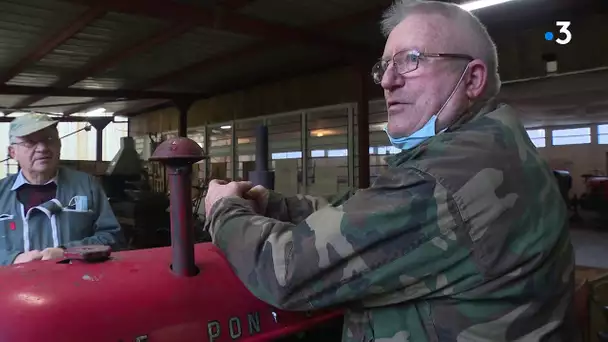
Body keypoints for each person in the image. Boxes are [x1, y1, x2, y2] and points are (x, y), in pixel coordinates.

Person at [204, 1, 577, 341]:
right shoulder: (493, 150)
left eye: (411, 60)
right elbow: (362, 216)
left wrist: (223, 210)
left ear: (472, 79)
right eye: (385, 66)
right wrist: (273, 204)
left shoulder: (447, 177)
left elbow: (285, 273)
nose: (387, 81)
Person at [0, 113, 124, 266]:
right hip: (13, 287)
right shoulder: (2, 193)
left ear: (59, 145)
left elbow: (113, 237)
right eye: (30, 142)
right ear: (13, 152)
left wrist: (68, 251)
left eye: (49, 139)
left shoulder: (86, 186)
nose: (42, 148)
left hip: (78, 285)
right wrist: (12, 259)